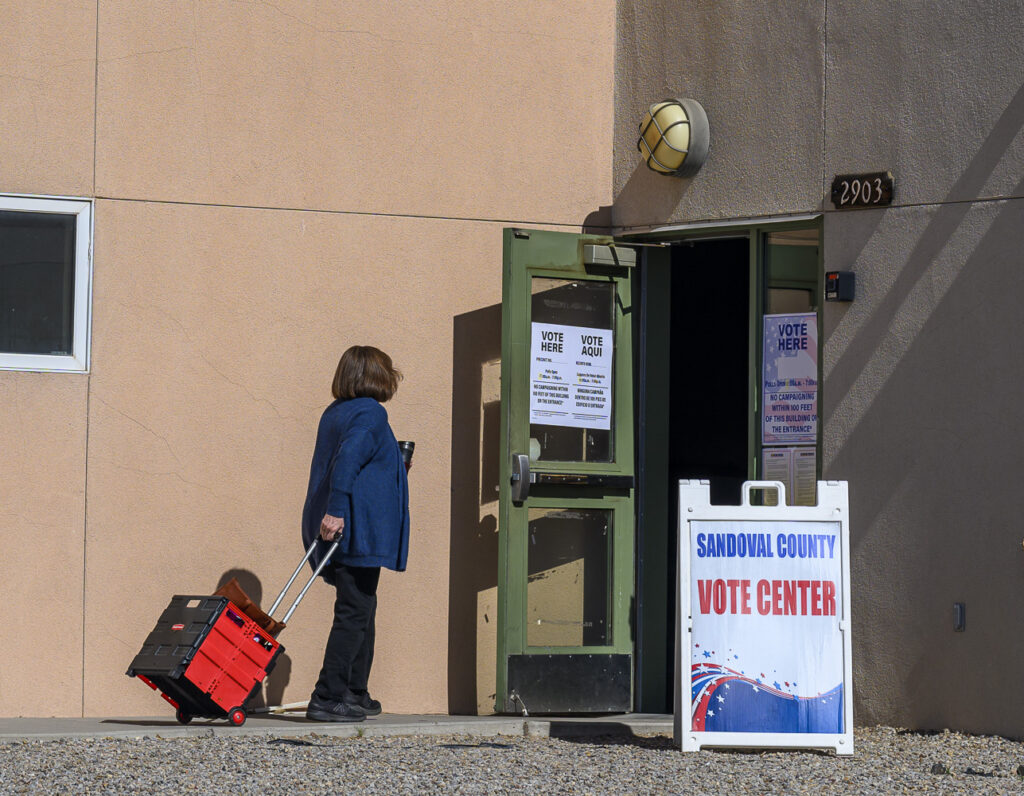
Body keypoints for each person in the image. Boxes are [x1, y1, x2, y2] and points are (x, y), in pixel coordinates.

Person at [301, 345, 410, 723]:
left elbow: (358, 462)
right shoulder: (370, 412)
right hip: (354, 528)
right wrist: (336, 511)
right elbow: (348, 460)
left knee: (363, 605)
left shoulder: (338, 412)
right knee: (353, 611)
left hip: (346, 524)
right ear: (375, 377)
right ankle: (327, 696)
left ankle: (355, 691)